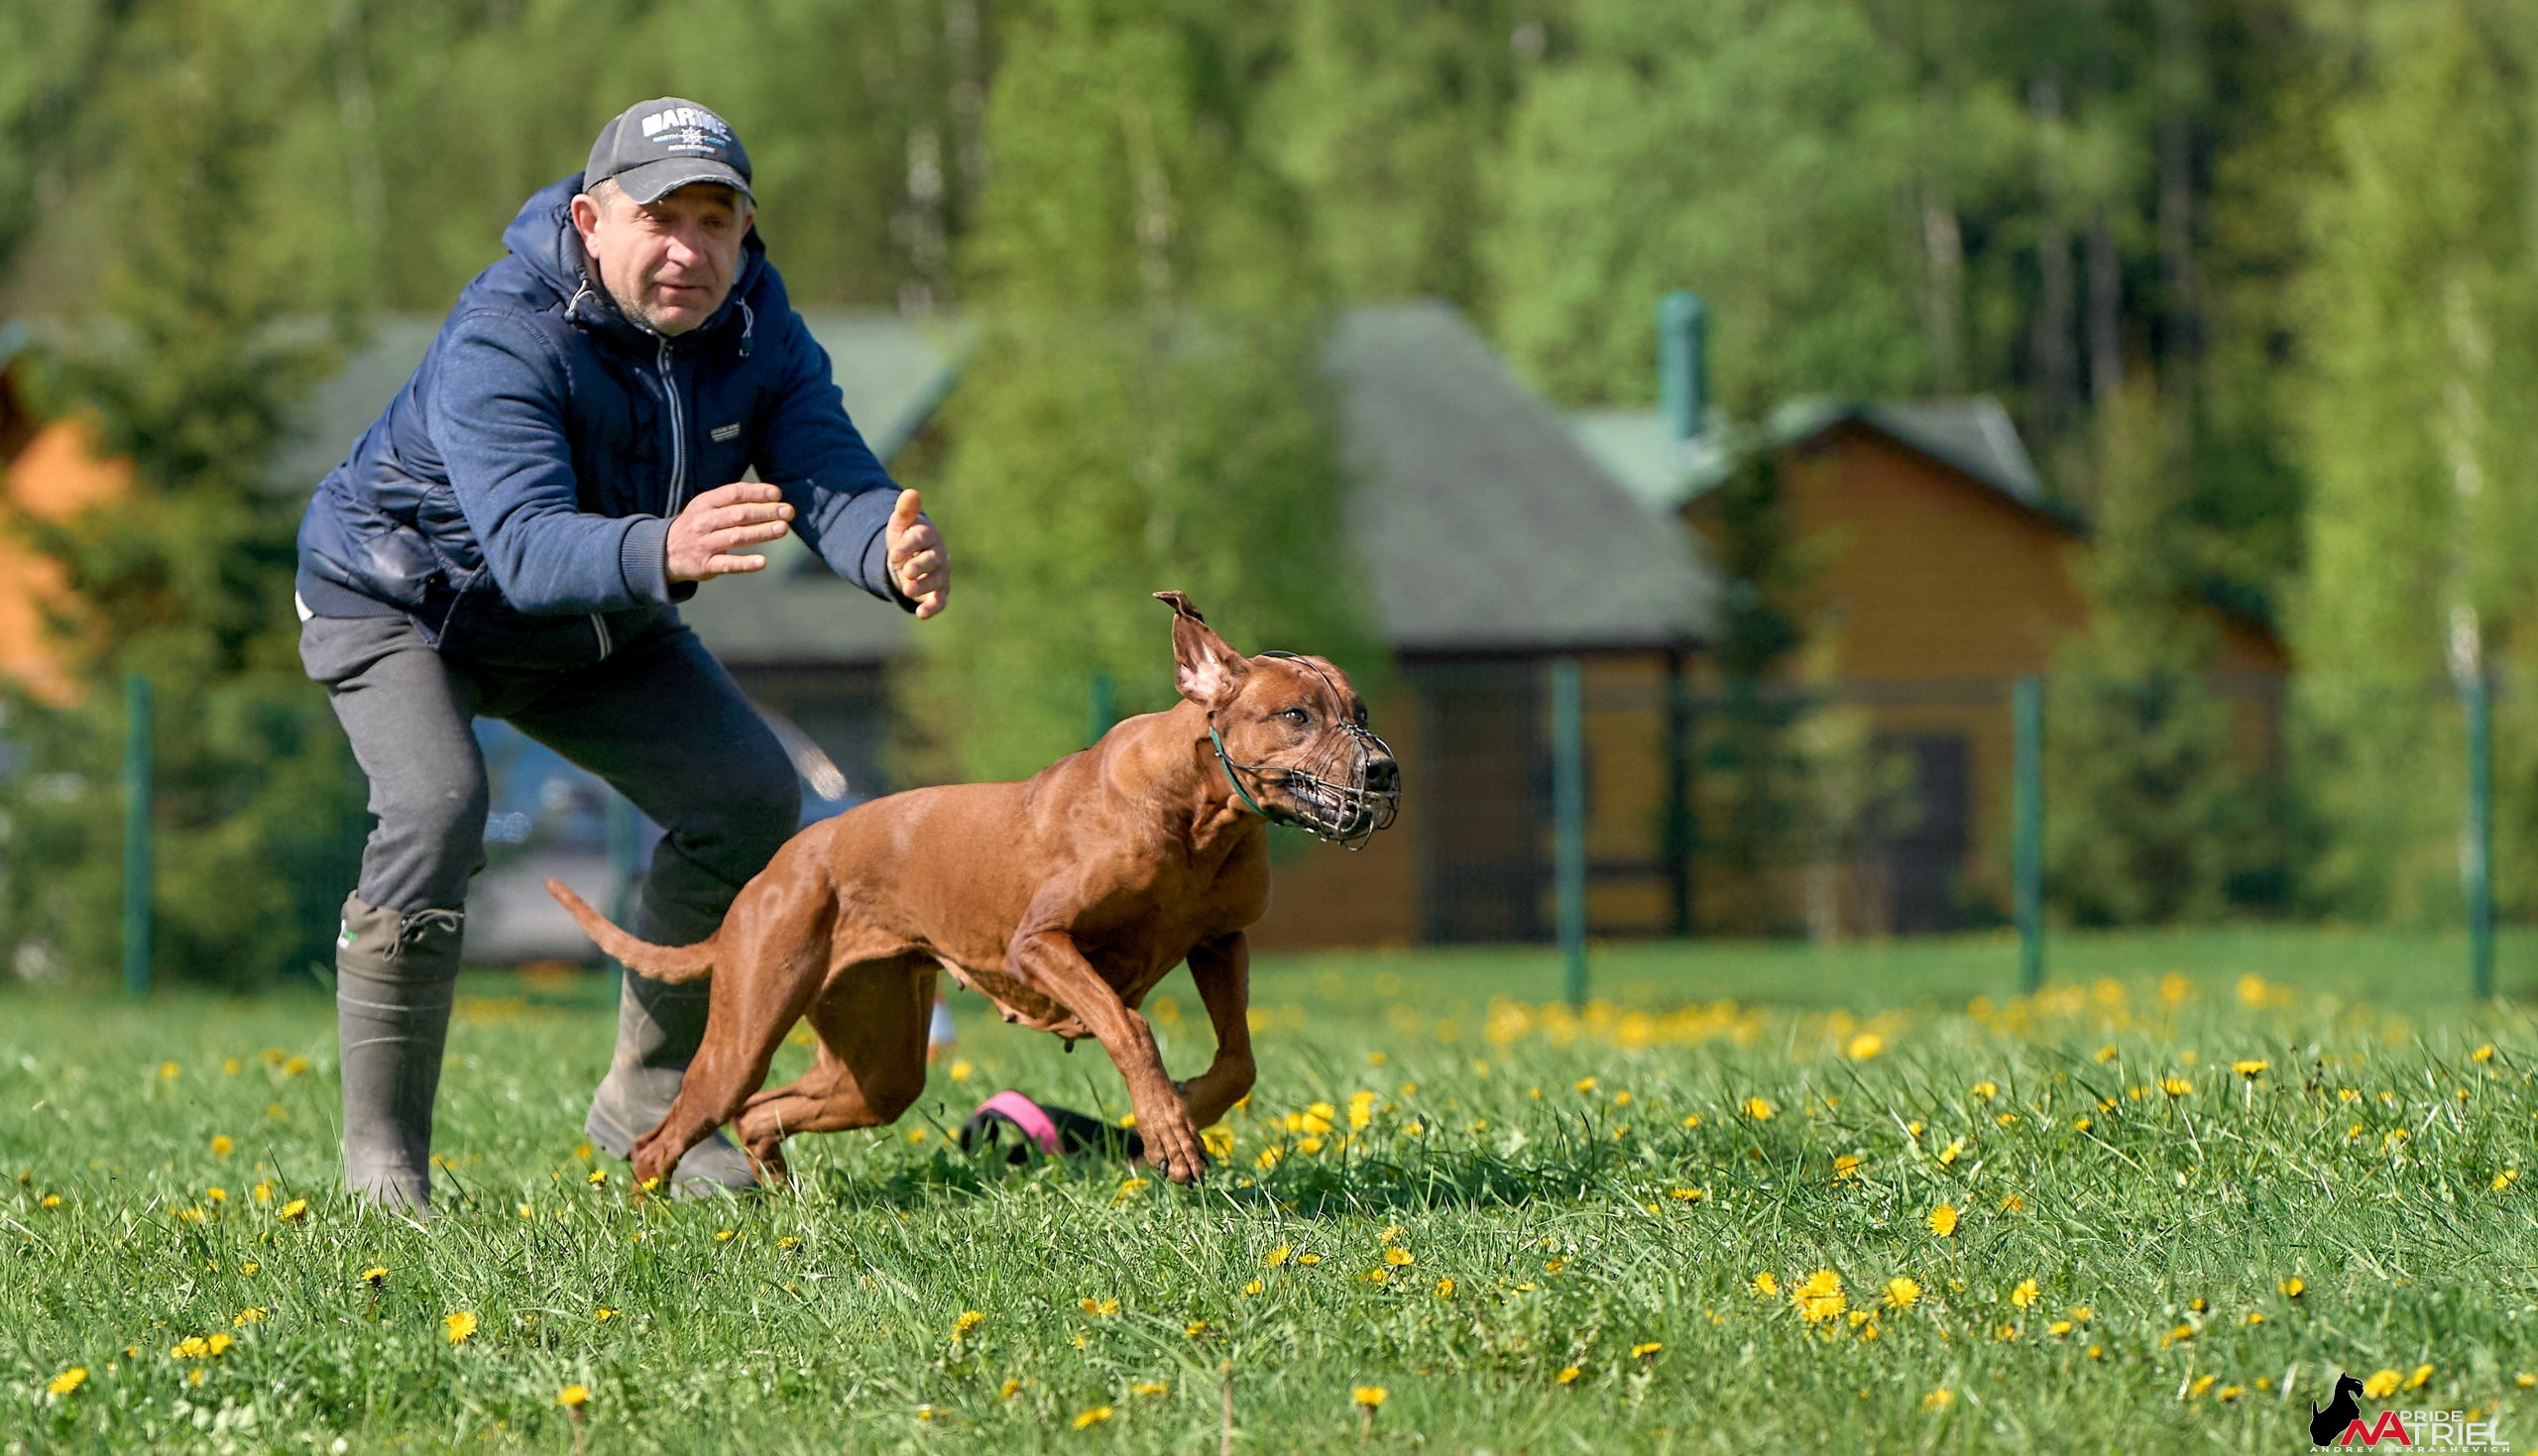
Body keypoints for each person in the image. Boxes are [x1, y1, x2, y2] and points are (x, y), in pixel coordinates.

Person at [293, 98, 949, 1216]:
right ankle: (384, 1160)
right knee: (439, 800)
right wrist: (665, 544)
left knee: (745, 794)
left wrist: (881, 542)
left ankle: (653, 1106)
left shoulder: (755, 321)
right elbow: (528, 543)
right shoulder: (508, 329)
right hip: (406, 602)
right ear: (593, 220)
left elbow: (822, 465)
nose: (691, 249)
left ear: (746, 233)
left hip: (597, 622)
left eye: (717, 221)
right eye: (662, 218)